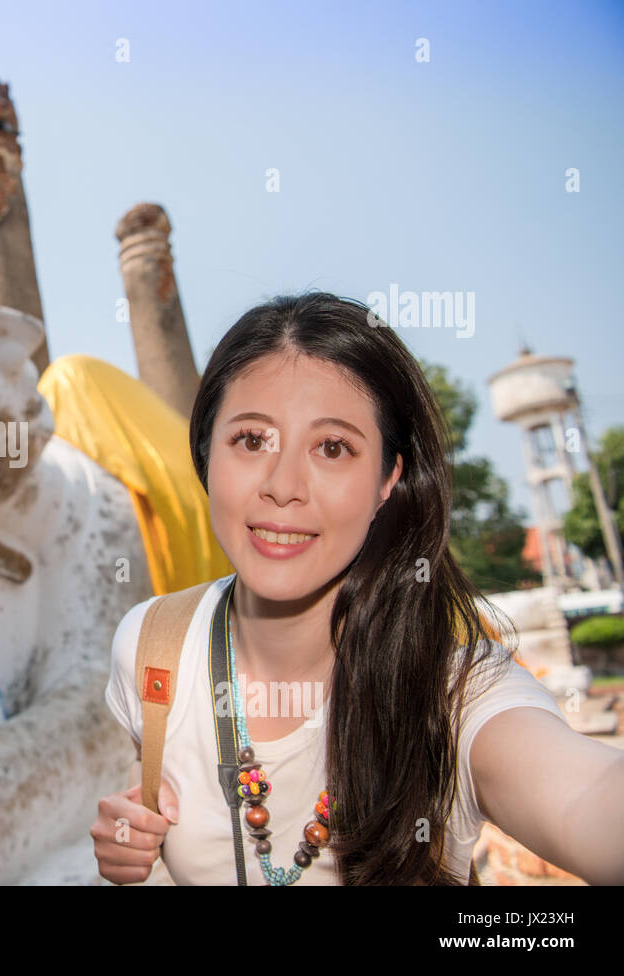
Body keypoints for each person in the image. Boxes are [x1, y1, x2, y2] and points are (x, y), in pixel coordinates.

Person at [90, 292, 624, 885]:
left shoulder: (452, 690)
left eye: (333, 448)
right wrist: (132, 845)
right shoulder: (151, 644)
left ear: (387, 480)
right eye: (251, 439)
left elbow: (587, 796)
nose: (283, 486)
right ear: (206, 453)